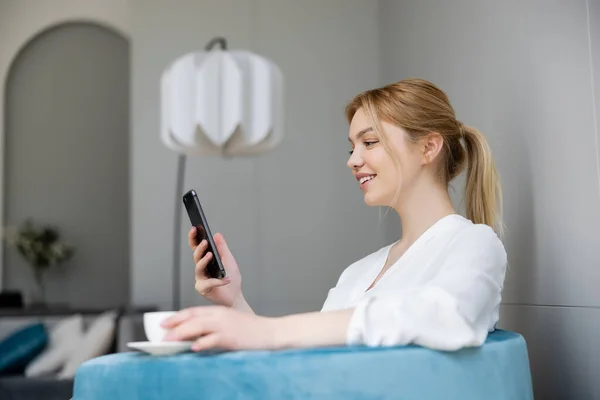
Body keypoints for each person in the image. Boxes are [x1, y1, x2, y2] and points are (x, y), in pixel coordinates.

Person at [162, 78, 508, 352]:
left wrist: (270, 330)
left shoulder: (473, 244)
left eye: (369, 142)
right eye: (351, 147)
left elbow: (446, 317)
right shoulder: (358, 274)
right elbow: (312, 359)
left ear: (429, 147)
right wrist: (234, 299)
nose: (353, 160)